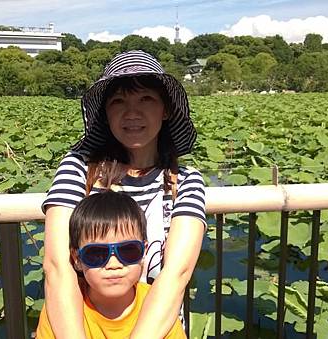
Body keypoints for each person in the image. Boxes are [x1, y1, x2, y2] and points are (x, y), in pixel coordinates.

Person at [40, 50, 206, 338]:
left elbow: (176, 274)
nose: (132, 113)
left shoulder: (186, 182)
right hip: (84, 327)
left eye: (146, 99)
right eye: (118, 101)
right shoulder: (79, 170)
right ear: (105, 112)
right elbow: (57, 266)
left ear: (165, 109)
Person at [36, 191, 186, 338]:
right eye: (96, 253)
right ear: (77, 258)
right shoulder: (61, 307)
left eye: (128, 250)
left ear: (144, 251)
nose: (113, 264)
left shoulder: (160, 305)